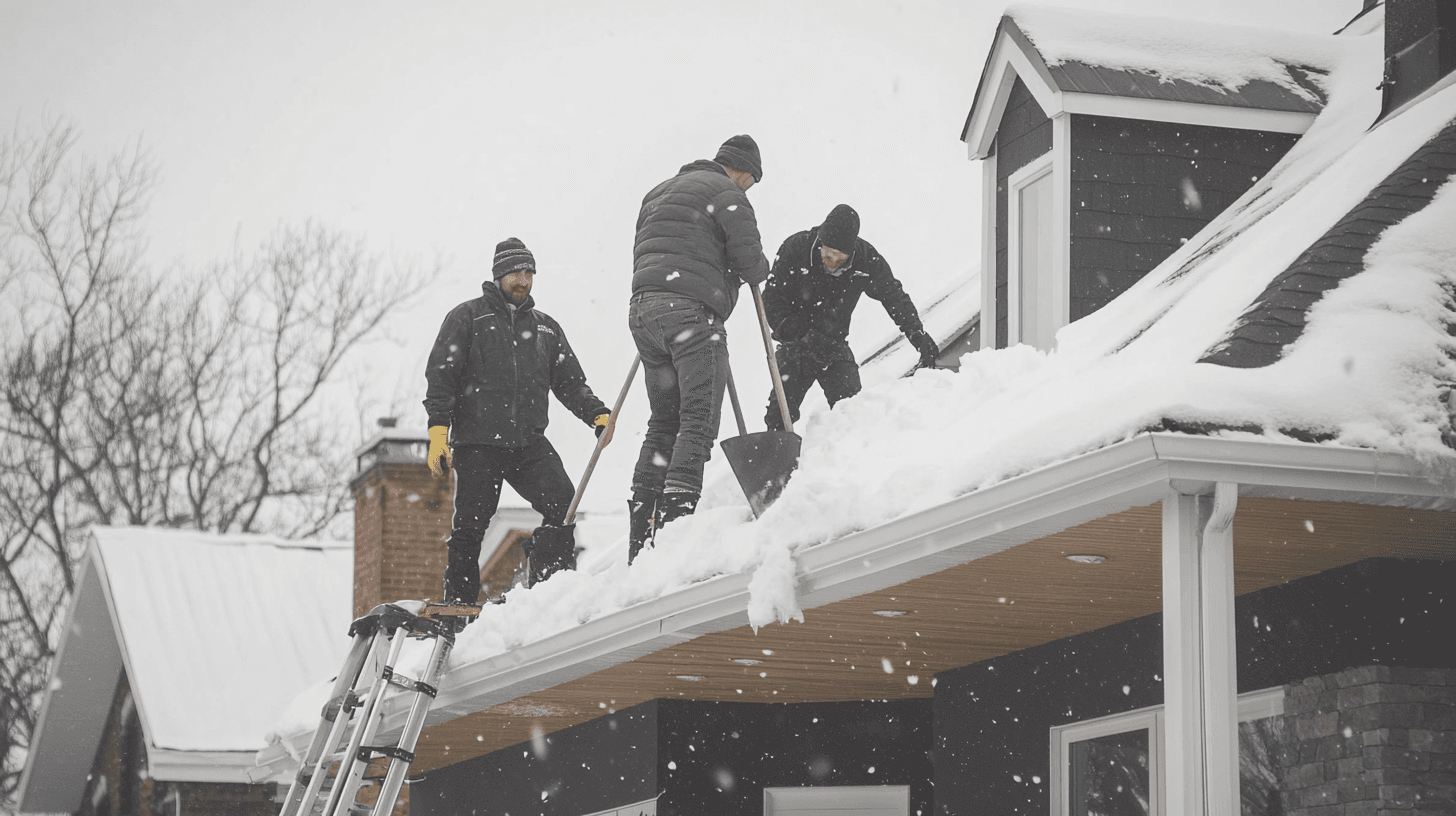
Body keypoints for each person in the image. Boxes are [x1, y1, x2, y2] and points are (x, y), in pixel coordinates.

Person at [424, 238, 612, 608]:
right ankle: (459, 605)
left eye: (528, 272)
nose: (522, 280)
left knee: (564, 504)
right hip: (478, 443)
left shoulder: (546, 329)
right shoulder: (467, 318)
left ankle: (547, 593)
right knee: (470, 526)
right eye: (515, 272)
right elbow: (441, 377)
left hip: (528, 443)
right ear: (498, 276)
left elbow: (570, 383)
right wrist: (437, 434)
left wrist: (596, 414)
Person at [626, 134, 771, 561]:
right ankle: (674, 525)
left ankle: (641, 527)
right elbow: (750, 262)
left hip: (643, 311)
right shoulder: (728, 193)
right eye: (752, 182)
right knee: (698, 421)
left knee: (663, 421)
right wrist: (761, 268)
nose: (748, 189)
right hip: (691, 315)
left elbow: (659, 249)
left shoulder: (658, 192)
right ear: (744, 171)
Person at [761, 204, 938, 430]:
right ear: (820, 242)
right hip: (797, 343)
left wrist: (916, 333)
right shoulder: (797, 248)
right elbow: (771, 297)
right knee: (780, 414)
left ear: (851, 251)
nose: (831, 260)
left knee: (852, 413)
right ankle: (777, 456)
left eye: (839, 256)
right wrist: (791, 328)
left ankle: (848, 458)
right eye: (828, 253)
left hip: (834, 345)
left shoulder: (866, 259)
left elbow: (893, 295)